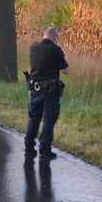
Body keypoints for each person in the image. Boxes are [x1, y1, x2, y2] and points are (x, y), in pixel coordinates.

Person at [24, 26, 70, 159]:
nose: (58, 41)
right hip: (50, 91)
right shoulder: (55, 50)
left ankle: (29, 146)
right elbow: (65, 70)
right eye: (58, 38)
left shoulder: (33, 48)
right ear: (54, 37)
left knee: (34, 118)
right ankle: (44, 149)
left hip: (35, 89)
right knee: (49, 119)